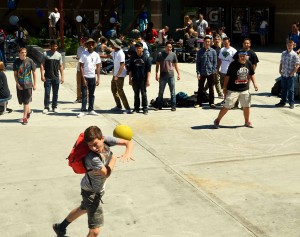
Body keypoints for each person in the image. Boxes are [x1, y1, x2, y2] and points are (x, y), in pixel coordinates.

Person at [52, 125, 134, 237]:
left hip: (91, 188)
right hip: (92, 192)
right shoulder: (92, 158)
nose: (94, 148)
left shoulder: (107, 140)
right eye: (90, 146)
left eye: (95, 144)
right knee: (95, 231)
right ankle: (61, 227)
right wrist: (113, 159)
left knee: (83, 209)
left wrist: (128, 152)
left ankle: (60, 227)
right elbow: (106, 173)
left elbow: (128, 142)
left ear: (102, 138)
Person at [213, 51, 258, 129]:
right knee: (227, 106)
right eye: (241, 56)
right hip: (233, 89)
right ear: (238, 56)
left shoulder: (249, 63)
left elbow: (251, 74)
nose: (242, 57)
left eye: (244, 56)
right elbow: (227, 77)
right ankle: (217, 120)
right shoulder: (233, 64)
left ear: (246, 56)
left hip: (244, 89)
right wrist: (224, 88)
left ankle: (247, 121)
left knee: (246, 106)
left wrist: (255, 84)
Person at [77, 38, 101, 118]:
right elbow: (81, 66)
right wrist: (83, 78)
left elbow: (98, 67)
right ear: (87, 45)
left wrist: (98, 78)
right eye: (89, 44)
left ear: (93, 46)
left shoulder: (96, 55)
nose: (90, 46)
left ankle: (91, 109)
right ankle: (83, 110)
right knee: (84, 94)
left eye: (92, 44)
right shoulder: (84, 54)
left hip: (92, 77)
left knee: (92, 94)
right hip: (85, 77)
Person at [13, 48, 37, 124]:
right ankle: (28, 112)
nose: (24, 54)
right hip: (20, 84)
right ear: (19, 53)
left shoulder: (30, 61)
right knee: (23, 101)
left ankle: (24, 118)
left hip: (28, 84)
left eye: (25, 52)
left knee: (26, 101)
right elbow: (15, 74)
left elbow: (34, 73)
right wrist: (17, 83)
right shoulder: (16, 62)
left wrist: (35, 84)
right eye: (22, 52)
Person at [155, 41, 180, 111]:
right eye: (168, 47)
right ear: (165, 47)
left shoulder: (173, 55)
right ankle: (159, 105)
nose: (169, 48)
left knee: (172, 92)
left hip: (171, 76)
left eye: (170, 47)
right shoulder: (160, 54)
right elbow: (157, 65)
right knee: (160, 92)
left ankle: (173, 106)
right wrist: (156, 74)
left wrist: (178, 74)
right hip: (162, 76)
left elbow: (176, 65)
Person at [40, 40, 64, 114]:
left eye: (56, 46)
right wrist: (42, 75)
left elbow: (61, 66)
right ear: (50, 46)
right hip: (47, 77)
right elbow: (42, 65)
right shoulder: (45, 54)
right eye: (53, 45)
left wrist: (62, 76)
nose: (54, 47)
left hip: (56, 77)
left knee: (55, 93)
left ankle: (54, 106)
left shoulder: (59, 55)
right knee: (47, 93)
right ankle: (46, 107)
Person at [128, 42, 151, 115]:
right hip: (135, 79)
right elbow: (130, 69)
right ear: (135, 49)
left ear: (142, 49)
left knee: (143, 94)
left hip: (143, 79)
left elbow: (148, 70)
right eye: (137, 48)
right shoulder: (133, 57)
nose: (138, 49)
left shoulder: (146, 57)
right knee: (136, 94)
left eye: (140, 48)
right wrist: (130, 79)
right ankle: (136, 108)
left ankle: (145, 108)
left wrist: (148, 80)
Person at [275, 40, 300, 109]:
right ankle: (283, 101)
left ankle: (291, 103)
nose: (289, 46)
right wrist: (280, 70)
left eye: (291, 45)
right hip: (284, 74)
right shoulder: (283, 53)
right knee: (283, 88)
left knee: (291, 89)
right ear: (286, 45)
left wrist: (293, 73)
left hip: (290, 75)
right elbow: (281, 62)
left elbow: (297, 65)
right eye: (288, 45)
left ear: (293, 46)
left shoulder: (294, 55)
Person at [194, 35, 217, 109]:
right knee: (200, 88)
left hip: (211, 73)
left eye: (208, 42)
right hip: (202, 73)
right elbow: (198, 63)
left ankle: (211, 103)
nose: (207, 43)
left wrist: (213, 71)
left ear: (210, 43)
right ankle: (199, 103)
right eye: (206, 42)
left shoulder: (213, 52)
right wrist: (198, 73)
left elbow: (215, 62)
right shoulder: (200, 52)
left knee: (211, 88)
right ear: (203, 42)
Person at [110, 39, 131, 114]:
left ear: (116, 45)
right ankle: (118, 106)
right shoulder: (114, 51)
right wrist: (97, 55)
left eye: (112, 44)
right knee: (113, 89)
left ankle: (127, 108)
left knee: (120, 91)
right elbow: (108, 55)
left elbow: (122, 65)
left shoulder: (120, 53)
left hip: (120, 75)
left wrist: (117, 76)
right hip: (115, 74)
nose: (111, 45)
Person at [204, 34, 223, 98]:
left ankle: (203, 90)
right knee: (216, 80)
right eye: (215, 39)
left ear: (220, 40)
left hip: (217, 67)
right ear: (213, 41)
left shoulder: (221, 49)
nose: (217, 40)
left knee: (212, 80)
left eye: (218, 39)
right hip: (211, 67)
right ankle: (220, 93)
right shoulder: (211, 48)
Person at [74, 37, 86, 104]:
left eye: (83, 41)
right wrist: (77, 58)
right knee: (79, 83)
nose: (82, 43)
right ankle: (79, 97)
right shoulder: (79, 48)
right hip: (79, 68)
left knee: (86, 83)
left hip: (86, 69)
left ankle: (86, 97)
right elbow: (79, 57)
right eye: (82, 41)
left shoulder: (88, 49)